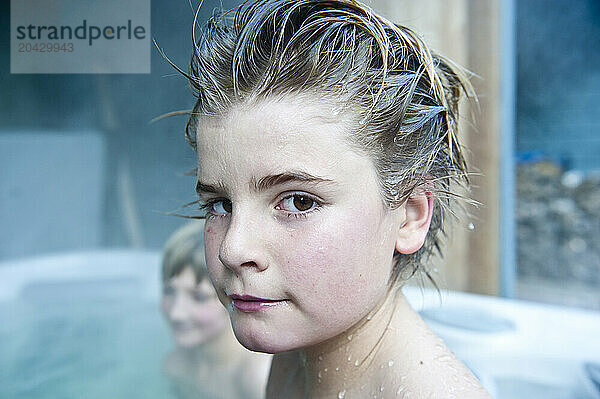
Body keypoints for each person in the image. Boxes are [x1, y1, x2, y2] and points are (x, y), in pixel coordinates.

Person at [181, 0, 492, 397]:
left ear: (410, 217)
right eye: (221, 205)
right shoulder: (297, 349)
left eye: (297, 202)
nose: (232, 248)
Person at [161, 221, 272, 399]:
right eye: (169, 291)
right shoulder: (177, 365)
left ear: (236, 297)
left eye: (199, 297)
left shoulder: (258, 377)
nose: (176, 313)